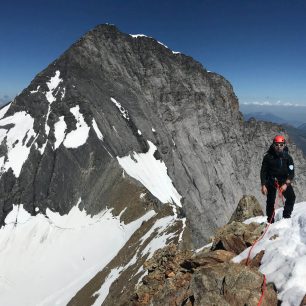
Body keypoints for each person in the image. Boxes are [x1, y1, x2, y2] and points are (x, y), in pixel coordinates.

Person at [260, 135, 295, 223]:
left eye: (281, 144)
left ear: (284, 145)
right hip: (271, 181)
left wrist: (286, 184)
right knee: (270, 201)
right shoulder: (268, 157)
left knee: (291, 197)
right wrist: (263, 184)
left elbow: (291, 173)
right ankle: (270, 220)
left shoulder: (288, 158)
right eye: (277, 145)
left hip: (283, 180)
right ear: (273, 145)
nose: (279, 147)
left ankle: (286, 216)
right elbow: (263, 171)